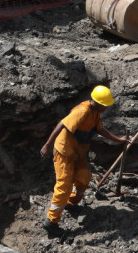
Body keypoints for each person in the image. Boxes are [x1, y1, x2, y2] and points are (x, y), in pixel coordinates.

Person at [39, 85, 130, 236]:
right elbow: (62, 124)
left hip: (78, 152)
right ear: (99, 103)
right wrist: (47, 145)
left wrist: (119, 139)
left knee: (84, 177)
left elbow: (100, 130)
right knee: (64, 186)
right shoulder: (82, 111)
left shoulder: (95, 113)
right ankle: (51, 222)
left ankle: (71, 203)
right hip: (64, 152)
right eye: (106, 105)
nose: (107, 108)